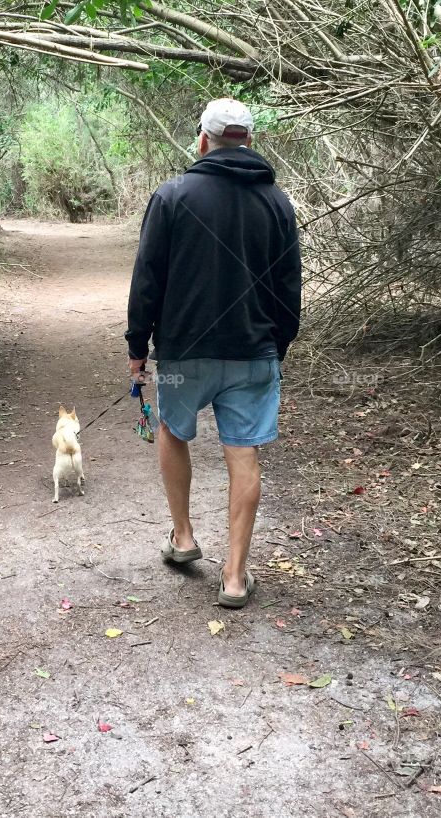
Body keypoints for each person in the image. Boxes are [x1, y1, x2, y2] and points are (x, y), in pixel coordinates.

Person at [125, 98, 302, 608]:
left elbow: (147, 279)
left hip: (183, 357)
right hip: (253, 354)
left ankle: (183, 539)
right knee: (242, 450)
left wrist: (139, 348)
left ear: (202, 140)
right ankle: (233, 577)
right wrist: (277, 345)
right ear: (248, 141)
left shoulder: (172, 195)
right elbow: (289, 287)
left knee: (171, 430)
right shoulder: (277, 202)